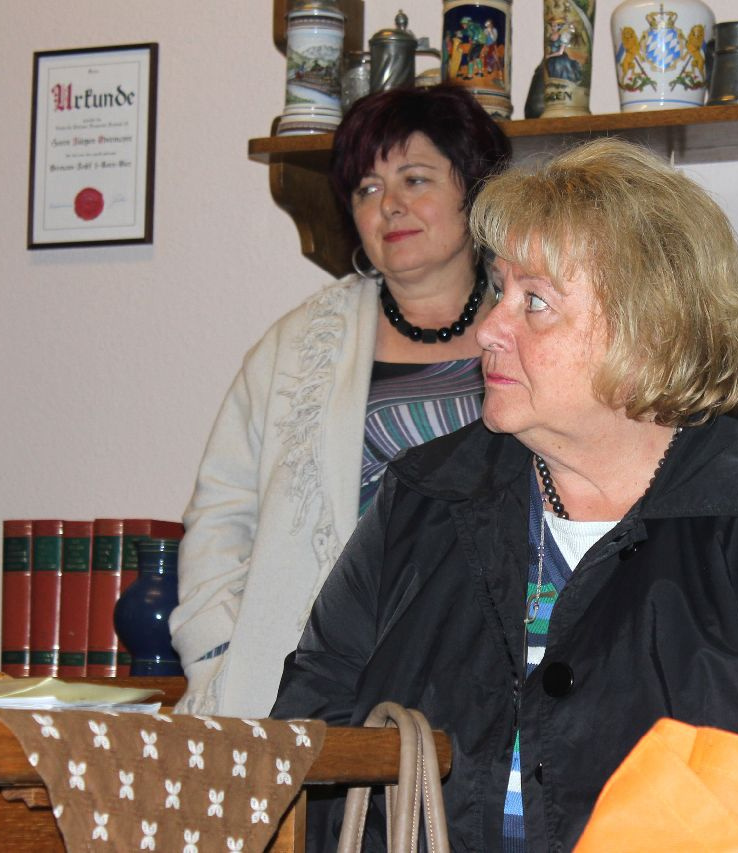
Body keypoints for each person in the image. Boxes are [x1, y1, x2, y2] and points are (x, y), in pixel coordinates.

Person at [271, 137, 738, 850]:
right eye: (499, 290)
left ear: (647, 332)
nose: (489, 329)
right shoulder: (425, 496)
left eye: (535, 302)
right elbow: (305, 743)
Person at [169, 86, 512, 717]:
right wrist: (217, 650)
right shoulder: (298, 345)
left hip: (494, 679)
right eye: (367, 189)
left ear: (474, 189)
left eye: (414, 179)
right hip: (317, 682)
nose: (390, 205)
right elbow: (222, 512)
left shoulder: (534, 330)